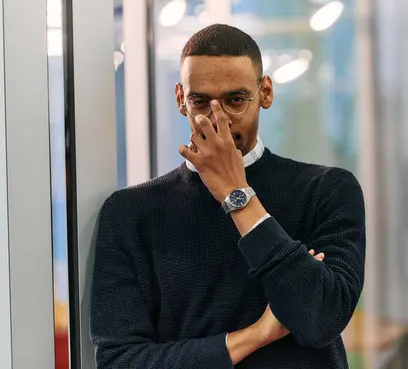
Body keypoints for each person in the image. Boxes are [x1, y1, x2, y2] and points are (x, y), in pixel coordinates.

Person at [90, 24, 366, 368]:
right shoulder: (130, 213)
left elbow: (321, 318)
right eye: (201, 101)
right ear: (180, 100)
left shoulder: (326, 190)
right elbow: (120, 361)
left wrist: (237, 195)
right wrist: (256, 335)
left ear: (264, 93)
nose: (218, 118)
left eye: (236, 100)